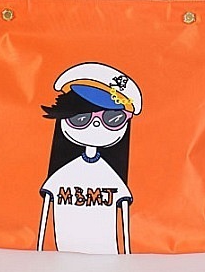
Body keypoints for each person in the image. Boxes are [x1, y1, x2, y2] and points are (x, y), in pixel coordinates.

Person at [37, 62, 142, 254]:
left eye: (112, 118)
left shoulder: (110, 175)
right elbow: (44, 215)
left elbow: (125, 217)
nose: (95, 125)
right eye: (80, 118)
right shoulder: (63, 174)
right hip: (59, 252)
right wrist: (39, 251)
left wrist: (127, 255)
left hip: (111, 254)